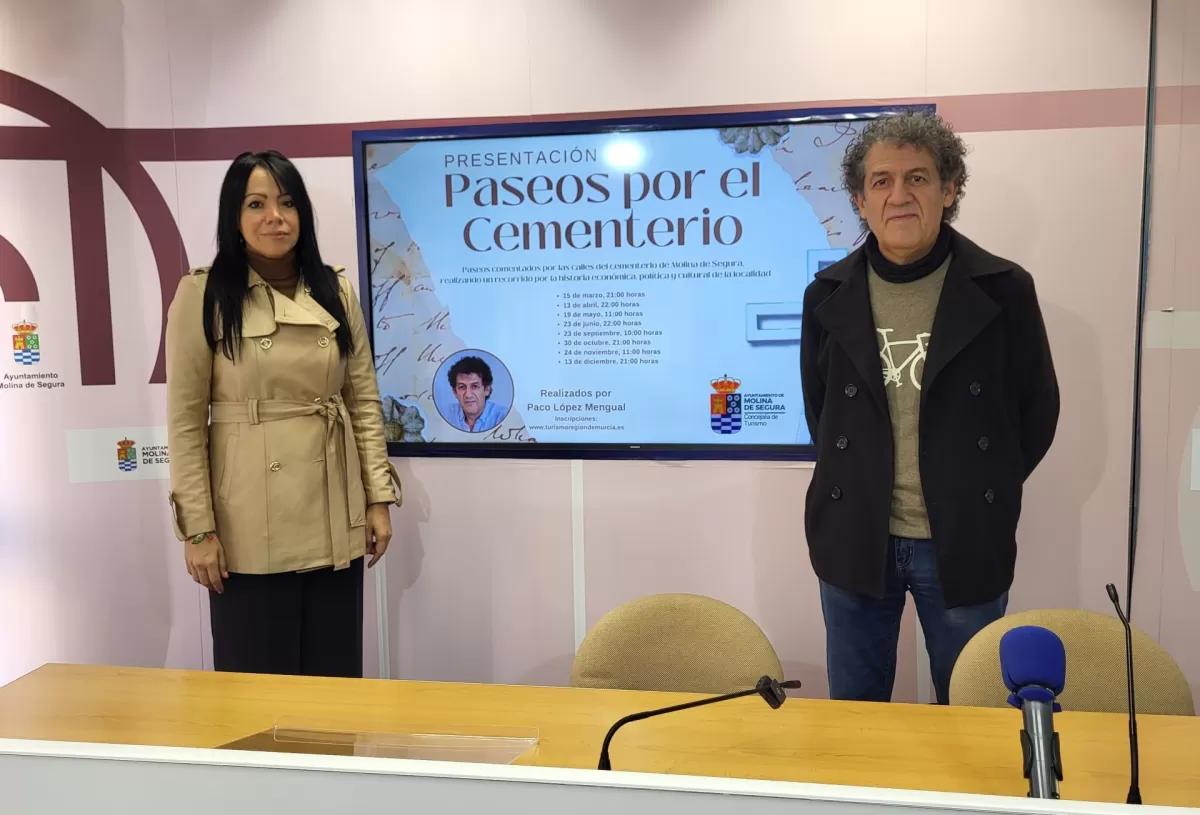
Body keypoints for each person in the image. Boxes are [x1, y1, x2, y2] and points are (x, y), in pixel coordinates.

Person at [800, 112, 1059, 704]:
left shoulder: (1004, 289)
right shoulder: (825, 295)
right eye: (882, 181)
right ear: (861, 200)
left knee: (973, 710)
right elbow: (823, 414)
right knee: (856, 714)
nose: (899, 195)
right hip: (854, 536)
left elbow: (1037, 412)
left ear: (949, 190)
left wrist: (977, 483)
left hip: (963, 537)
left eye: (917, 178)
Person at [166, 150, 401, 678]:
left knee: (333, 684)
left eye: (287, 203)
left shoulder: (334, 289)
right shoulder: (204, 294)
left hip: (333, 511)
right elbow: (185, 422)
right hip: (246, 523)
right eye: (257, 204)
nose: (275, 217)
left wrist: (378, 499)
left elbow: (363, 400)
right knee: (255, 689)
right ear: (234, 216)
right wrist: (198, 530)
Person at [444, 355, 507, 433]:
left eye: (475, 386)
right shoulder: (447, 414)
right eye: (462, 387)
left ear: (487, 389)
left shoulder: (503, 416)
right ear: (455, 392)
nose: (468, 395)